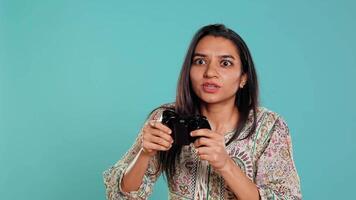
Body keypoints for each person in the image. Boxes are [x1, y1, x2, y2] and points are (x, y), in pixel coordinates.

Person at [103, 24, 302, 200]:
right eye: (200, 61)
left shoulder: (269, 127)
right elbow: (120, 196)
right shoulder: (167, 119)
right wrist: (144, 153)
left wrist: (226, 165)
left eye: (225, 63)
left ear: (243, 77)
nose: (209, 72)